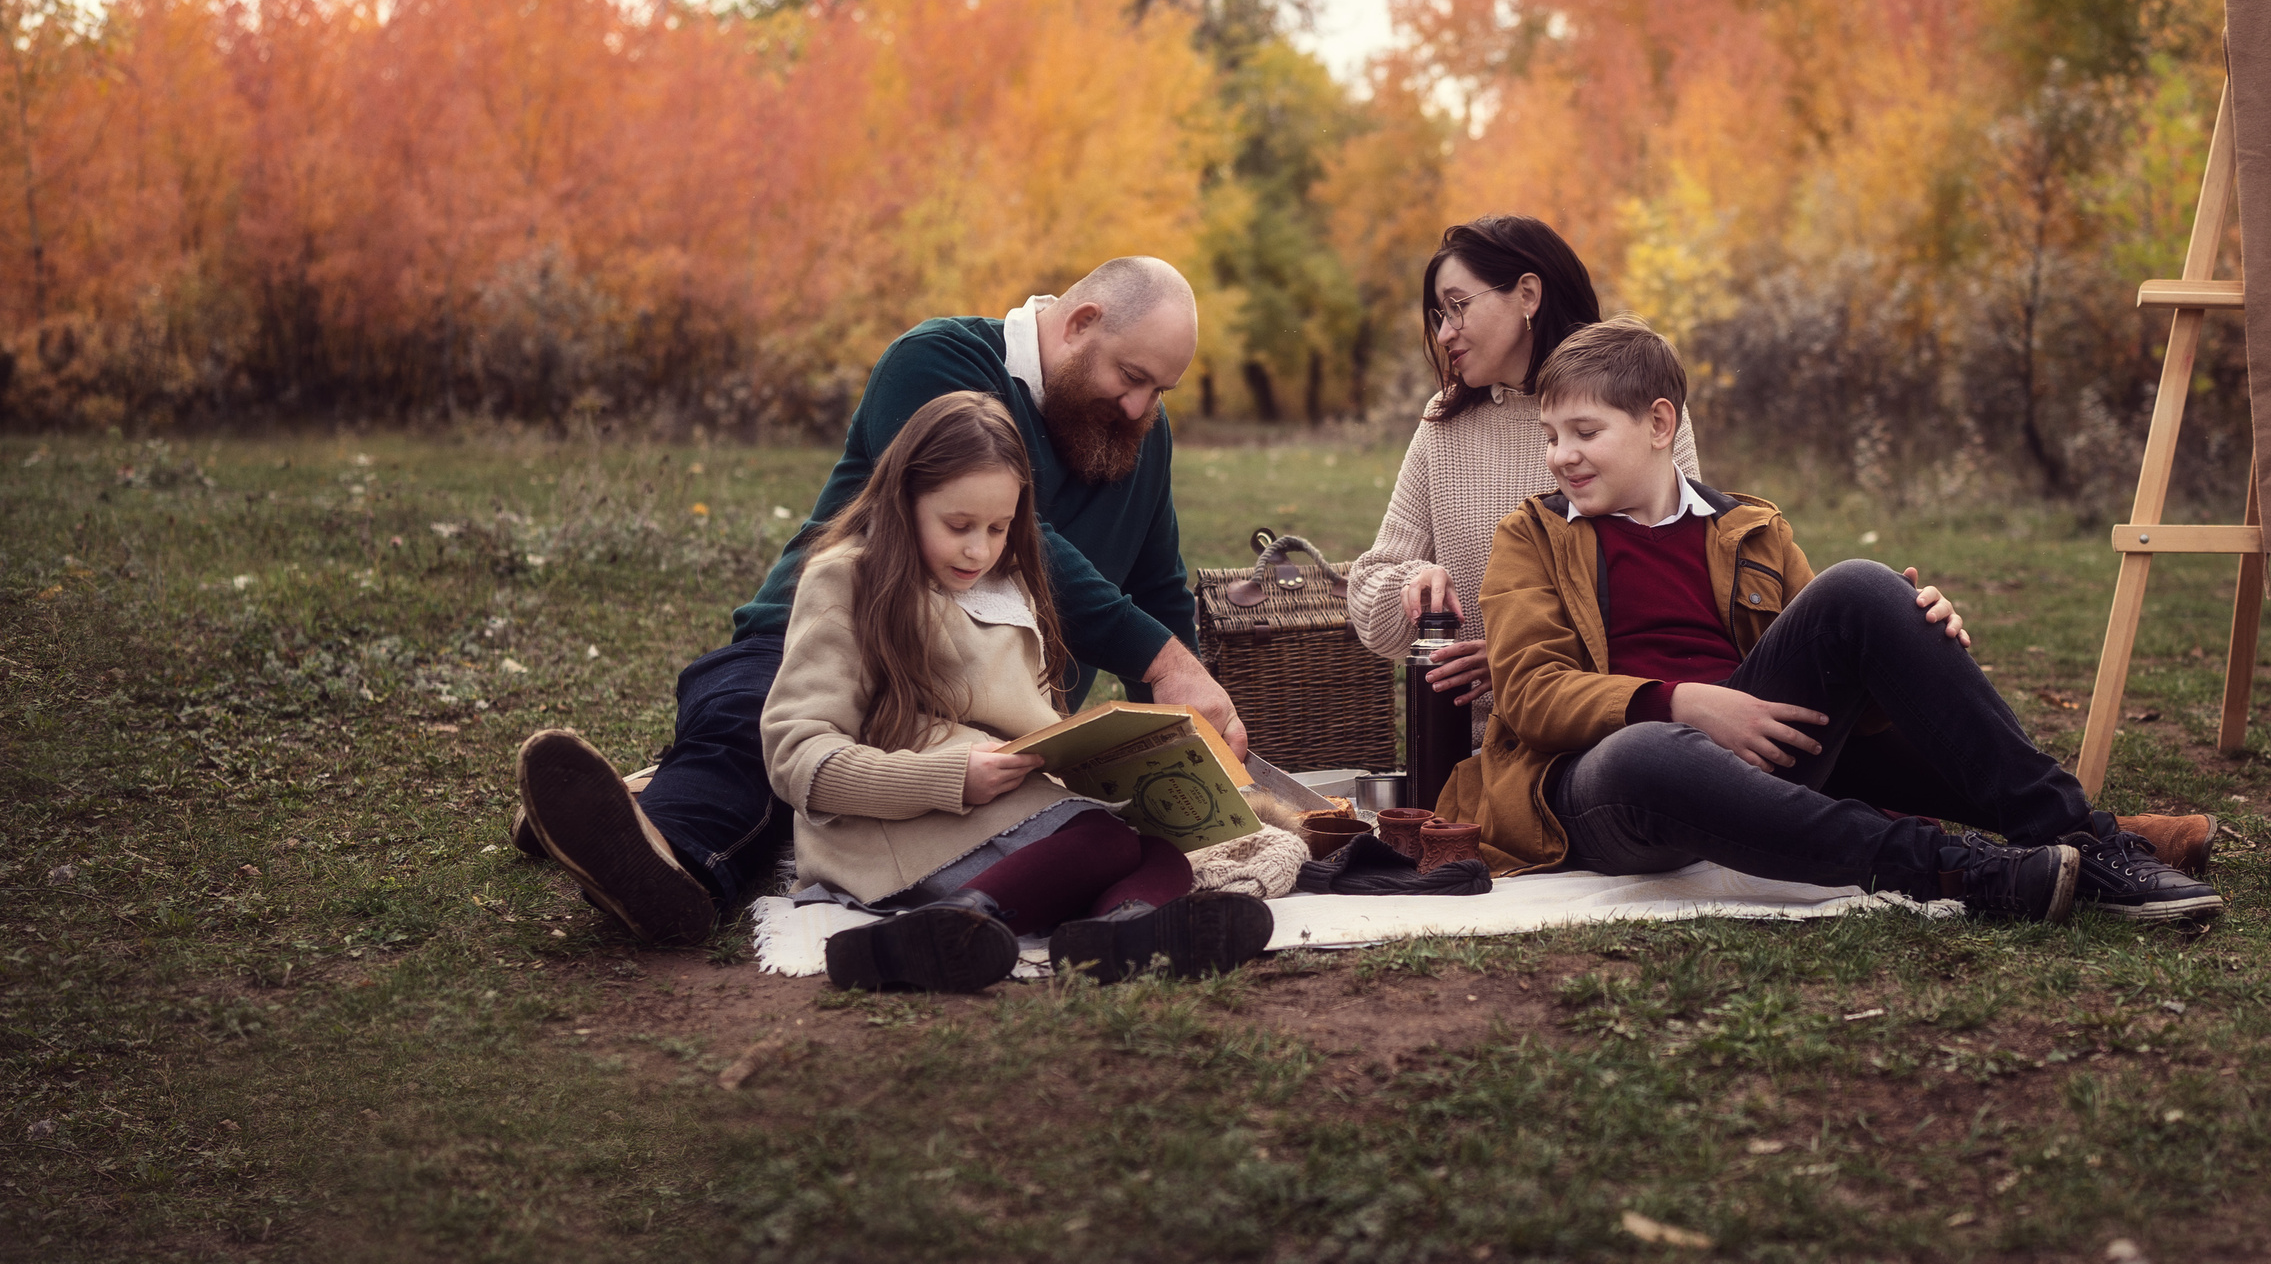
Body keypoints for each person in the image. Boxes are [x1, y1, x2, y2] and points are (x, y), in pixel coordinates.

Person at [513, 257, 1246, 946]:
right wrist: (1162, 659)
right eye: (1131, 376)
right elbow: (1036, 547)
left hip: (981, 703)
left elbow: (1156, 583)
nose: (1140, 405)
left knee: (1037, 820)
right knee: (753, 743)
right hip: (836, 637)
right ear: (1081, 323)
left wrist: (1180, 720)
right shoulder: (939, 363)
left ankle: (644, 796)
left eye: (1161, 390)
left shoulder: (1137, 429)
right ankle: (659, 852)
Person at [1436, 315, 2223, 923]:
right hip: (1604, 786)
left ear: (1659, 423)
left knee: (1864, 586)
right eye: (1550, 437)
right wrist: (1684, 703)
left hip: (1760, 759)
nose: (1561, 456)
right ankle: (1964, 869)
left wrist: (1912, 631)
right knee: (1650, 750)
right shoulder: (1532, 534)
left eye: (1584, 433)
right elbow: (1531, 694)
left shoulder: (1751, 527)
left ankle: (2085, 839)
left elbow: (1854, 705)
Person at [754, 392, 1272, 991]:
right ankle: (952, 926)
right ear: (904, 498)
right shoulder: (848, 578)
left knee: (1158, 849)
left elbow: (1028, 718)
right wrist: (949, 779)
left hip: (1005, 805)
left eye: (999, 528)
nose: (979, 549)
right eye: (958, 526)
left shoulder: (1010, 580)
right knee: (1102, 843)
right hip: (898, 823)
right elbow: (795, 755)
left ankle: (1119, 932)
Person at [1347, 216, 1699, 737]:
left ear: (1527, 295)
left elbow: (1682, 588)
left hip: (1625, 725)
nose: (1444, 333)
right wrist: (1411, 585)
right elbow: (1369, 589)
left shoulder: (1636, 404)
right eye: (1439, 315)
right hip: (1483, 748)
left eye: (1458, 306)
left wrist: (1525, 662)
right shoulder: (1444, 424)